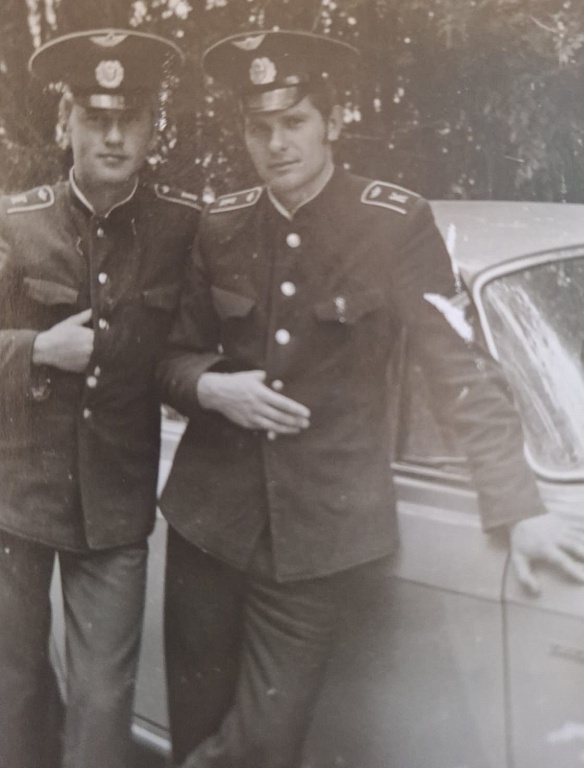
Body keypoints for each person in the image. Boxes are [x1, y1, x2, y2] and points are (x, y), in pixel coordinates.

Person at [157, 30, 584, 768]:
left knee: (260, 748)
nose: (277, 144)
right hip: (207, 527)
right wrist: (209, 387)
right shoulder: (221, 223)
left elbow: (458, 367)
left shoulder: (392, 223)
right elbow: (169, 356)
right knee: (194, 737)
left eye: (294, 122)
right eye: (259, 127)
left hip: (320, 539)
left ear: (332, 122)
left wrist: (518, 506)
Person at [0, 27, 200, 768]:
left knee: (104, 698)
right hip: (16, 499)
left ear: (151, 128)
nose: (114, 136)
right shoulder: (16, 223)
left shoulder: (182, 225)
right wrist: (35, 350)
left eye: (130, 118)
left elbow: (193, 344)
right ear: (66, 124)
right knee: (12, 688)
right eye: (95, 117)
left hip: (115, 505)